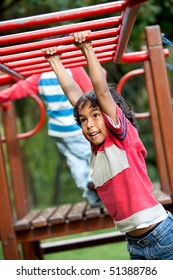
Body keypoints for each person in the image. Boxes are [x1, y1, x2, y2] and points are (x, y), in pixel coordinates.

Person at [42, 30, 173, 260]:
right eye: (83, 120)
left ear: (112, 115)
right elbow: (74, 96)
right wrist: (55, 63)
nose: (89, 124)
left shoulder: (121, 138)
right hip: (135, 243)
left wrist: (88, 49)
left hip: (162, 236)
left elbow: (101, 92)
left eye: (95, 116)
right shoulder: (96, 149)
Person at [0, 67, 101, 207]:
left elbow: (20, 89)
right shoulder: (74, 69)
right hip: (76, 128)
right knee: (92, 157)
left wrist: (2, 96)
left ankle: (92, 196)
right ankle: (94, 183)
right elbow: (91, 90)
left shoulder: (39, 75)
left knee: (74, 161)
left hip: (57, 131)